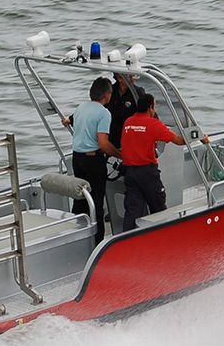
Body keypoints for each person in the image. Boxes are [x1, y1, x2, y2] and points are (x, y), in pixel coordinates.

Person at [120, 93, 209, 231]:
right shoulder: (153, 124)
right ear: (150, 108)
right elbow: (179, 141)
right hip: (147, 174)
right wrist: (200, 136)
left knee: (132, 211)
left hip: (130, 173)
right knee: (159, 209)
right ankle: (163, 236)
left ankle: (126, 240)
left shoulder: (128, 122)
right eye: (155, 106)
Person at [62, 77, 122, 246]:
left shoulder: (81, 108)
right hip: (93, 160)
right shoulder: (104, 113)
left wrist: (68, 120)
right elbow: (103, 143)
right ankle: (97, 243)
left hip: (77, 158)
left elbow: (71, 119)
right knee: (96, 201)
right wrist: (120, 155)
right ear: (107, 95)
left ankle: (76, 239)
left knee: (80, 199)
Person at [105, 72, 145, 148]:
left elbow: (147, 111)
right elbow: (101, 108)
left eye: (133, 76)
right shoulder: (110, 91)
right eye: (130, 76)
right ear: (119, 78)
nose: (133, 79)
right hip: (111, 132)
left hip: (129, 133)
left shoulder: (138, 92)